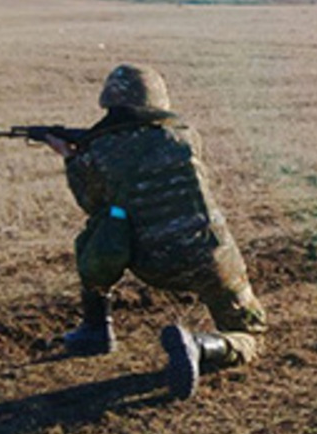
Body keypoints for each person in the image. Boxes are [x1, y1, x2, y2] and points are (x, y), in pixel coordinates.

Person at [45, 63, 267, 399]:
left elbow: (91, 203)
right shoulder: (186, 137)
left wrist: (72, 159)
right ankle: (201, 346)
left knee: (100, 228)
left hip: (151, 261)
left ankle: (95, 329)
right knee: (250, 334)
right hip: (213, 256)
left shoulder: (99, 152)